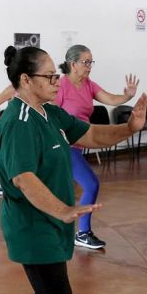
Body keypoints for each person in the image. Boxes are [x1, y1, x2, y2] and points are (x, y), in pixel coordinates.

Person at [0, 45, 147, 294]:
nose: (57, 79)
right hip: (32, 227)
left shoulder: (48, 113)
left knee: (46, 292)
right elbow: (24, 178)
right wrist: (64, 210)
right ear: (25, 80)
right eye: (49, 75)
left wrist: (129, 128)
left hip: (50, 224)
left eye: (56, 73)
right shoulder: (17, 122)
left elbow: (91, 135)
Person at [56, 44, 139, 250]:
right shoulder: (61, 86)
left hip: (80, 143)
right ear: (72, 64)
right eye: (86, 62)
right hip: (63, 146)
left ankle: (65, 232)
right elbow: (50, 115)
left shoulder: (88, 84)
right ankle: (82, 233)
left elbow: (110, 99)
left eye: (91, 61)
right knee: (91, 184)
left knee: (62, 190)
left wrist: (128, 96)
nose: (89, 66)